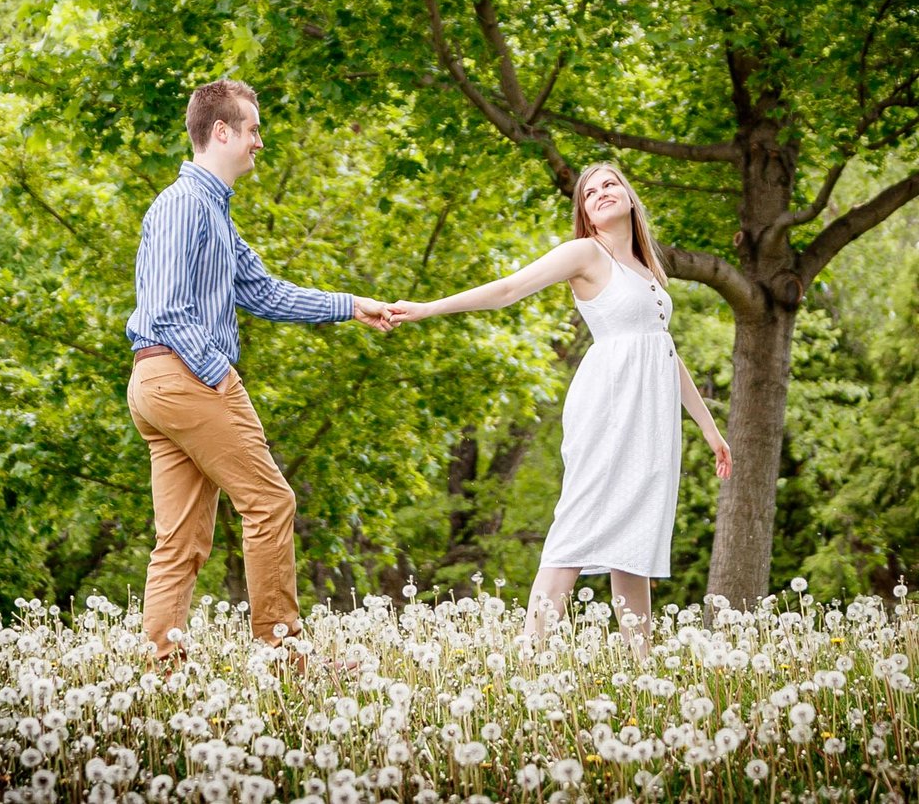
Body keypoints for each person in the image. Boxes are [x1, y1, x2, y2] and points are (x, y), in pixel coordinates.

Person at [388, 162, 731, 651]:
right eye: (590, 192)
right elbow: (508, 290)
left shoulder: (648, 269)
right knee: (578, 521)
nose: (602, 193)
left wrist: (710, 429)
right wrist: (427, 308)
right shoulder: (586, 253)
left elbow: (664, 350)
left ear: (631, 198)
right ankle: (531, 655)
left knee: (635, 539)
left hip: (652, 418)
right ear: (586, 215)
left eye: (611, 184)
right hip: (610, 403)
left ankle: (642, 667)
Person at [126, 78, 390, 662]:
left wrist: (351, 305)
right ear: (221, 132)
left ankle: (158, 673)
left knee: (181, 540)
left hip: (164, 385)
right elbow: (166, 307)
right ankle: (283, 654)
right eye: (252, 130)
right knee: (271, 504)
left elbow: (266, 293)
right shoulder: (182, 204)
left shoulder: (216, 215)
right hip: (183, 378)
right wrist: (218, 374)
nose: (258, 143)